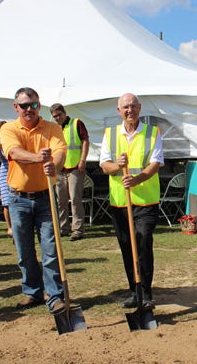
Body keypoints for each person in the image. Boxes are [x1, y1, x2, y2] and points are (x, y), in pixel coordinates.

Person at [0, 87, 66, 313]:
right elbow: (15, 153)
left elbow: (60, 152)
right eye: (25, 105)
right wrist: (39, 158)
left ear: (40, 105)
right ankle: (32, 291)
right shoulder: (8, 129)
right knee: (24, 251)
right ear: (16, 107)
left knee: (50, 249)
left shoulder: (52, 127)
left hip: (46, 197)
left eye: (34, 105)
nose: (30, 109)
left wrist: (53, 165)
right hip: (18, 199)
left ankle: (55, 296)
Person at [99, 93, 163, 309]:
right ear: (119, 111)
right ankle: (134, 291)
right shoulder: (110, 134)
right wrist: (118, 166)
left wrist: (136, 180)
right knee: (127, 246)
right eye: (126, 107)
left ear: (140, 108)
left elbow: (155, 164)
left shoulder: (153, 133)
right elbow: (104, 165)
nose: (130, 111)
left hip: (146, 201)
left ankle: (146, 294)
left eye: (134, 106)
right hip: (120, 203)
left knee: (143, 241)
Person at [50, 103, 90, 241]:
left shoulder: (76, 123)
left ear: (64, 112)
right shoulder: (54, 128)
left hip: (75, 167)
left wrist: (83, 160)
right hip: (59, 169)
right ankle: (63, 228)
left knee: (75, 199)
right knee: (60, 200)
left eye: (59, 115)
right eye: (54, 116)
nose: (57, 118)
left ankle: (78, 230)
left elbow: (85, 141)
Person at [0, 121, 12, 237]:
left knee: (17, 199)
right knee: (6, 201)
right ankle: (9, 227)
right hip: (5, 171)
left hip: (16, 170)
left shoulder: (12, 139)